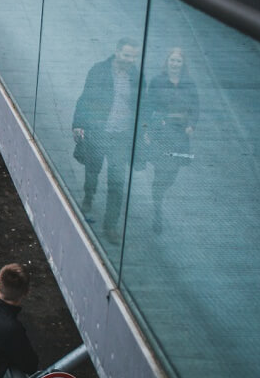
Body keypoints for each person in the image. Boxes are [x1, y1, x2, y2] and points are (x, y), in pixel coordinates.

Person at [72, 37, 141, 243]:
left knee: (117, 182)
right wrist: (78, 124)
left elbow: (142, 106)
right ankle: (89, 194)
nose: (130, 60)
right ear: (117, 52)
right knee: (93, 168)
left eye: (134, 57)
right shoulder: (99, 70)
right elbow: (85, 98)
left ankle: (111, 225)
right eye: (127, 55)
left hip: (121, 137)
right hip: (99, 131)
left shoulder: (137, 77)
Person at [142, 47, 198, 234]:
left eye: (178, 61)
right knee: (162, 169)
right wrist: (148, 128)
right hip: (163, 131)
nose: (175, 64)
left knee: (172, 173)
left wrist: (192, 124)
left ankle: (159, 193)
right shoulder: (158, 82)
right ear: (167, 62)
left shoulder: (189, 84)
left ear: (183, 64)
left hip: (180, 134)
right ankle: (157, 208)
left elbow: (195, 108)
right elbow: (149, 106)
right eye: (172, 60)